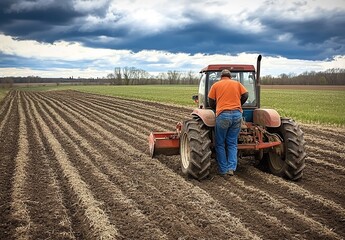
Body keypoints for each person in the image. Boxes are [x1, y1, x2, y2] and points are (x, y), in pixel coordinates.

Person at [208, 69, 248, 178]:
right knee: (232, 143)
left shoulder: (216, 85)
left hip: (223, 115)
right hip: (237, 116)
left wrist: (217, 108)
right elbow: (245, 95)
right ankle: (231, 168)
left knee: (220, 143)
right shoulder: (237, 84)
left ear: (221, 76)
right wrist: (239, 104)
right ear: (230, 76)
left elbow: (211, 101)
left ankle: (223, 169)